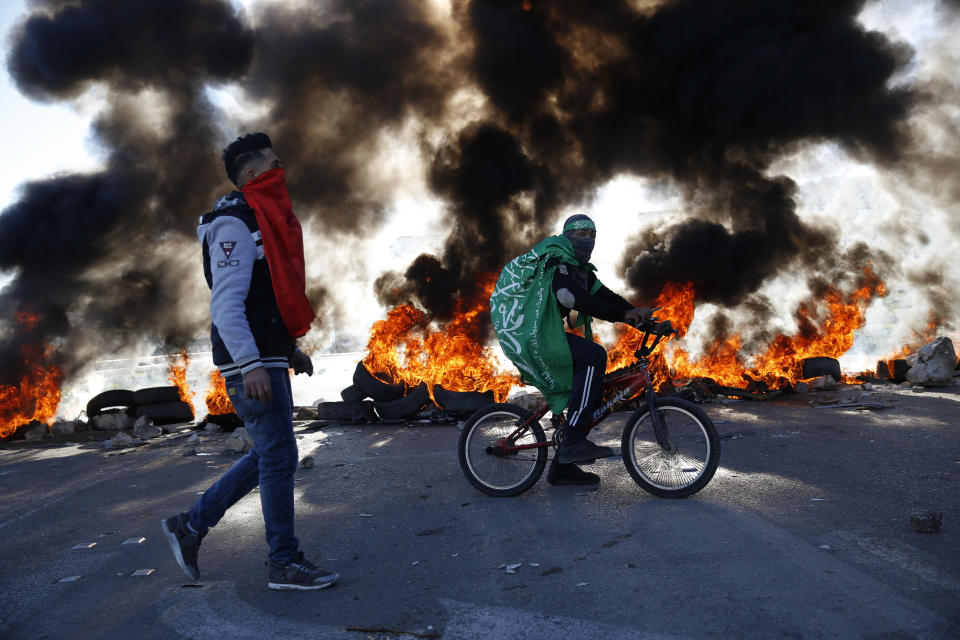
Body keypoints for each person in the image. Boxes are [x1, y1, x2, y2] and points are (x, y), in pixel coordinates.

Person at [161, 133, 338, 591]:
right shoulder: (234, 225)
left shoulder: (260, 221)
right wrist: (254, 363)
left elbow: (267, 298)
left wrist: (287, 352)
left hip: (265, 359)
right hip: (250, 368)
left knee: (270, 455)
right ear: (255, 174)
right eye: (275, 165)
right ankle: (282, 561)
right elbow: (227, 305)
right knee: (279, 457)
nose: (284, 173)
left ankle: (191, 525)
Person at [490, 214, 651, 485]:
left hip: (544, 333)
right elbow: (571, 297)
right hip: (533, 336)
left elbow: (604, 296)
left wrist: (638, 316)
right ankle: (574, 441)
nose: (587, 240)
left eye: (591, 235)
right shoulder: (557, 262)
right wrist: (623, 317)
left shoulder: (578, 269)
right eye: (581, 234)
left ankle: (562, 469)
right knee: (593, 355)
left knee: (590, 381)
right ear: (566, 236)